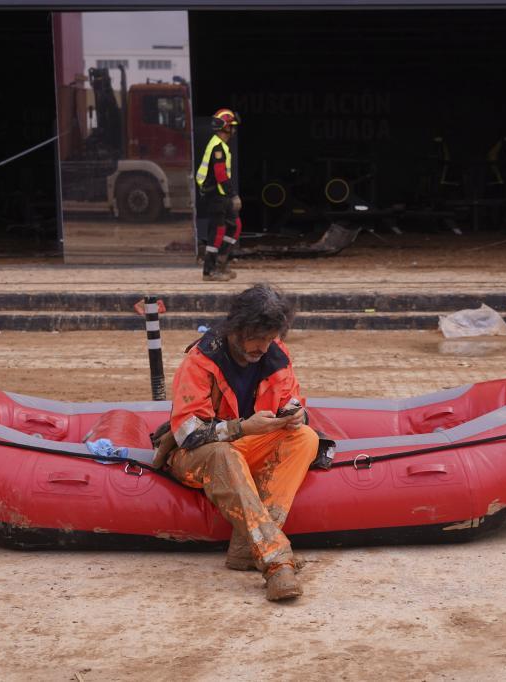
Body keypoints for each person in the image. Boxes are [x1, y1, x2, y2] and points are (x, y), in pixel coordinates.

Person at [161, 283, 318, 601]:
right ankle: (276, 561)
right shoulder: (201, 360)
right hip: (195, 456)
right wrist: (241, 428)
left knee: (304, 437)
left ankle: (247, 548)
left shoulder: (276, 354)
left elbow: (292, 400)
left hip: (244, 445)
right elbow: (187, 435)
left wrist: (295, 414)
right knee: (222, 454)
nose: (262, 346)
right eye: (256, 337)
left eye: (269, 337)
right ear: (237, 328)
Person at [196, 108, 243, 282]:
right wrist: (233, 195)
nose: (234, 130)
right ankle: (209, 271)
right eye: (232, 126)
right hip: (215, 195)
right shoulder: (217, 147)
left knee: (235, 225)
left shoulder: (221, 145)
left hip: (221, 195)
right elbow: (220, 174)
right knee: (217, 231)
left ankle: (222, 262)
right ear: (225, 128)